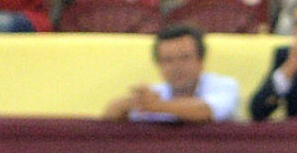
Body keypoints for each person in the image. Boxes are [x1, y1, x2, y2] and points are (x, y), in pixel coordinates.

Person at [101, 24, 244, 117]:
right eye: (168, 60)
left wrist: (156, 106)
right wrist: (130, 103)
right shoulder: (155, 94)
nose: (177, 67)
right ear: (159, 65)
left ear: (201, 61)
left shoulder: (225, 86)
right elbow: (110, 116)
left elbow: (204, 112)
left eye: (184, 58)